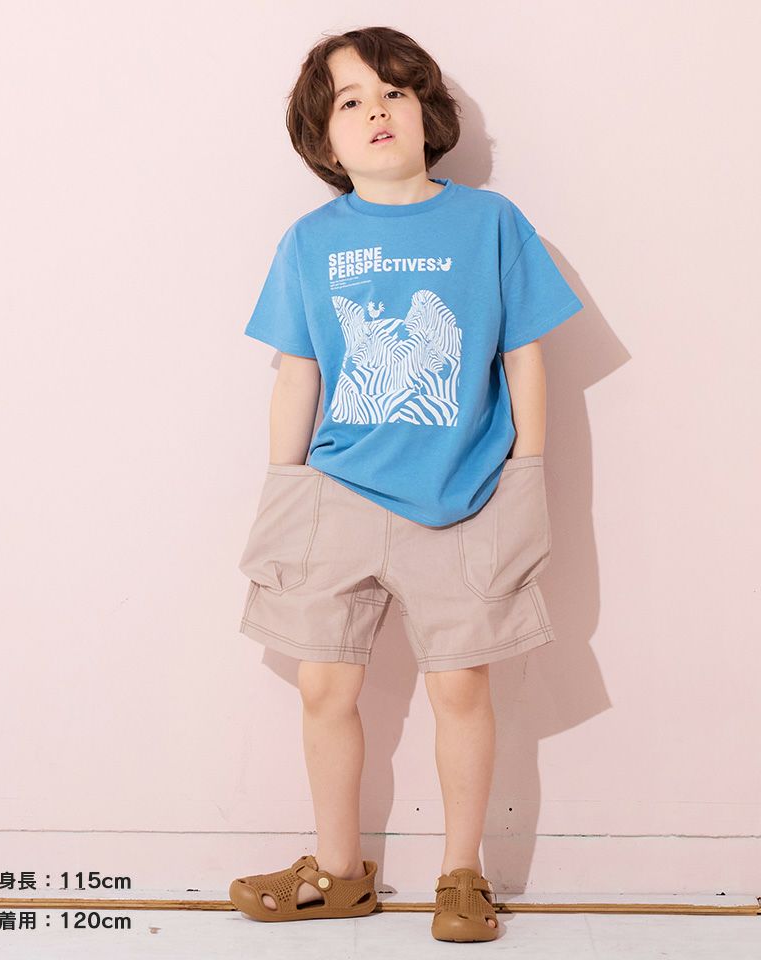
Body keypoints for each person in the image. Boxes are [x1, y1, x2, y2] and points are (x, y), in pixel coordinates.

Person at [229, 25, 583, 943]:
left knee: (460, 688)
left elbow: (524, 356)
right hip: (338, 491)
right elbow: (298, 373)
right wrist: (284, 490)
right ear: (324, 139)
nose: (377, 110)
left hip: (464, 494)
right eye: (350, 101)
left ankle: (462, 874)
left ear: (428, 112)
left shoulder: (491, 223)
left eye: (394, 91)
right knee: (322, 686)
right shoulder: (310, 242)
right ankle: (339, 870)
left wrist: (526, 473)